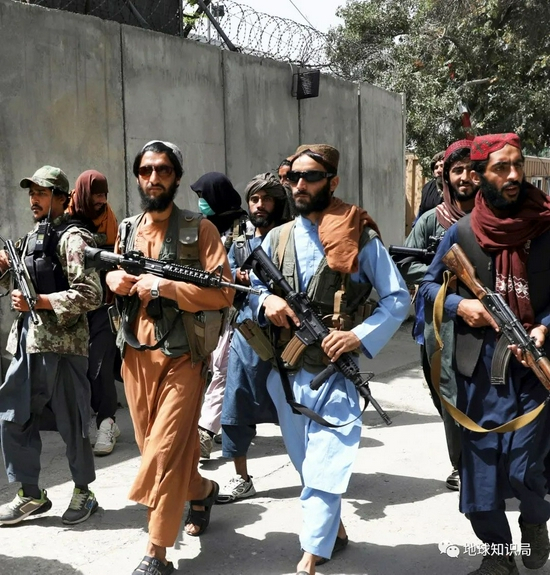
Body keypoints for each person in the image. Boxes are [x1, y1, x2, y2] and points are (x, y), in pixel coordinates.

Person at [250, 144, 410, 575]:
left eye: (311, 177)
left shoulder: (359, 235)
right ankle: (333, 530)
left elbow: (397, 298)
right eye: (294, 178)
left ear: (332, 182)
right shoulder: (276, 238)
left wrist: (357, 335)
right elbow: (251, 287)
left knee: (327, 460)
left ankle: (311, 553)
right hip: (287, 370)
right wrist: (266, 301)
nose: (300, 185)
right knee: (305, 460)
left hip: (335, 370)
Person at [420, 133, 550, 575]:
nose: (513, 175)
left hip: (534, 368)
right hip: (479, 370)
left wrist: (544, 326)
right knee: (479, 476)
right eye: (501, 168)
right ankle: (498, 557)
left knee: (524, 468)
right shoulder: (460, 233)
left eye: (518, 165)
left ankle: (534, 520)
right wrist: (461, 305)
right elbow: (426, 290)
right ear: (479, 177)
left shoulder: (545, 226)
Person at [105, 141, 234, 575]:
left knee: (162, 451)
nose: (153, 178)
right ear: (138, 177)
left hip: (183, 358)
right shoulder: (128, 229)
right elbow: (113, 271)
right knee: (164, 450)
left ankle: (156, 552)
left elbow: (223, 293)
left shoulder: (201, 229)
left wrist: (165, 287)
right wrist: (112, 278)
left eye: (162, 170)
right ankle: (202, 490)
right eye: (146, 170)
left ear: (176, 176)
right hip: (136, 356)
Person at [0, 165, 103, 526]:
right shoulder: (29, 238)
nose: (34, 199)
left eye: (42, 193)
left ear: (62, 198)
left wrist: (41, 302)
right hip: (28, 343)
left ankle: (83, 492)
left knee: (73, 422)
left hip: (63, 346)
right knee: (13, 416)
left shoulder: (73, 238)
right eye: (31, 193)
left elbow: (91, 294)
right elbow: (14, 281)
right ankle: (30, 494)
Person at [398, 139, 477, 491]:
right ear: (446, 176)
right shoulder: (433, 220)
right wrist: (445, 278)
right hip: (441, 321)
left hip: (486, 318)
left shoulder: (495, 219)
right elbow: (405, 262)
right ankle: (461, 465)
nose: (465, 177)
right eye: (457, 170)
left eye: (472, 170)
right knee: (446, 392)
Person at [217, 172, 288, 503]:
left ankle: (316, 474)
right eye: (254, 199)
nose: (260, 205)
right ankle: (241, 477)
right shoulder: (239, 242)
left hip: (289, 334)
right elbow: (224, 282)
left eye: (267, 199)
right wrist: (237, 278)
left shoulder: (291, 237)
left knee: (298, 406)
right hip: (249, 334)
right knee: (237, 404)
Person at [190, 171, 247, 458]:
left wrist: (232, 275)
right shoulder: (203, 227)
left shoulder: (243, 229)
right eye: (199, 197)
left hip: (238, 311)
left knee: (222, 369)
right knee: (211, 368)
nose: (201, 202)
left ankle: (205, 432)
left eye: (204, 196)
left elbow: (249, 268)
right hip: (207, 309)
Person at [68, 170, 121, 456]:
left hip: (104, 304)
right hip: (73, 306)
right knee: (81, 368)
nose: (101, 201)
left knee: (100, 364)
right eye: (96, 195)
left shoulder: (109, 220)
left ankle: (106, 422)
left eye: (104, 195)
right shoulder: (65, 218)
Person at [416, 150, 445, 220]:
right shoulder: (427, 188)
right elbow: (421, 213)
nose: (439, 170)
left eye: (442, 166)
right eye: (436, 167)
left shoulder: (456, 187)